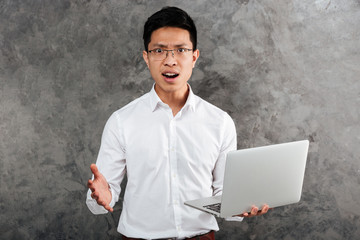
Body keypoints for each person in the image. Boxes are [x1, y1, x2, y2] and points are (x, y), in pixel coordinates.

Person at [86, 6, 269, 240]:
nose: (170, 61)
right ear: (146, 57)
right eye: (159, 50)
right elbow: (102, 198)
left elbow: (224, 195)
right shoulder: (122, 121)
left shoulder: (220, 122)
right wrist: (101, 197)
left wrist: (242, 206)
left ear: (194, 57)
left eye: (180, 50)